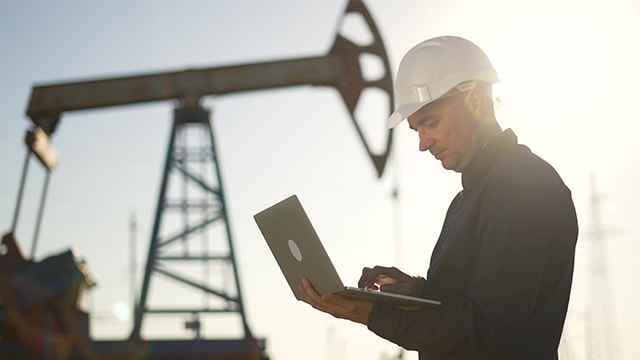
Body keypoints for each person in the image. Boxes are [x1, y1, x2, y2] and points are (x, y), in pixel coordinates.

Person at [299, 35, 578, 360]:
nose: (423, 143)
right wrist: (414, 292)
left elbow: (489, 334)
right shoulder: (469, 198)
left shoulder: (523, 185)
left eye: (431, 123)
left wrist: (367, 313)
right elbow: (469, 305)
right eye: (417, 129)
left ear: (475, 102)